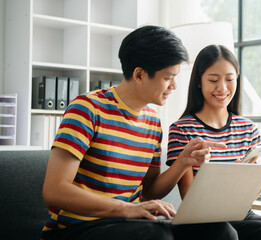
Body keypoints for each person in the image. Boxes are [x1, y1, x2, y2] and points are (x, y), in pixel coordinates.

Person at [41, 25, 244, 240]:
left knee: (220, 231)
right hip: (77, 229)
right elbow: (54, 191)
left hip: (130, 224)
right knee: (156, 236)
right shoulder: (87, 109)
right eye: (168, 77)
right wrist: (126, 208)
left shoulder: (152, 122)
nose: (174, 86)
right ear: (139, 74)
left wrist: (183, 161)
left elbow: (150, 190)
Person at [167, 44, 261, 240]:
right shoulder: (182, 129)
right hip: (202, 220)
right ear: (199, 82)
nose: (222, 88)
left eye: (230, 79)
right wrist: (222, 179)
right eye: (213, 80)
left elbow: (249, 197)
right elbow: (189, 198)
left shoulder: (247, 128)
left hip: (241, 215)